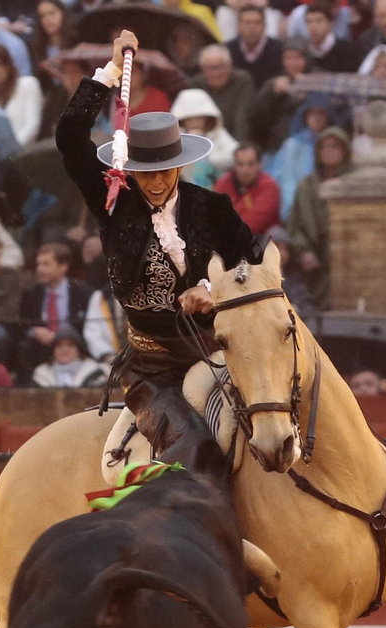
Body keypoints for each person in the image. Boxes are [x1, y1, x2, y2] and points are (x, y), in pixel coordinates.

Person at [58, 31, 255, 432]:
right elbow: (69, 137)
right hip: (153, 367)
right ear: (130, 170)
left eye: (165, 171)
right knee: (191, 441)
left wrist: (215, 290)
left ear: (180, 165)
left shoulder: (212, 206)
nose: (157, 182)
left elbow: (254, 263)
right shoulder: (113, 200)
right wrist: (111, 70)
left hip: (220, 354)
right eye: (145, 174)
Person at [287, 125, 349, 307]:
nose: (328, 152)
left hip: (346, 252)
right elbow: (295, 226)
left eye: (334, 146)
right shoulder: (306, 186)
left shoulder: (354, 184)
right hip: (315, 254)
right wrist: (304, 251)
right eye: (324, 147)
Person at [17, 241, 88, 378]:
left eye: (46, 264)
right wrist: (34, 331)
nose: (40, 269)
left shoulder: (82, 292)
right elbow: (21, 325)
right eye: (38, 264)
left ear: (63, 267)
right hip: (43, 346)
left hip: (73, 343)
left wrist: (67, 336)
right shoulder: (32, 293)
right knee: (25, 347)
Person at [0, 46, 43, 148]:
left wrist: (13, 148)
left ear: (8, 65)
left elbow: (32, 125)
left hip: (24, 152)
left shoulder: (28, 85)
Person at [170, 89, 238, 186]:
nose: (194, 123)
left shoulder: (218, 134)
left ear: (207, 118)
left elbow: (235, 154)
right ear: (182, 121)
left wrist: (207, 157)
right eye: (189, 120)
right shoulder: (176, 139)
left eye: (198, 118)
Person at [214, 142, 280, 236]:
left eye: (251, 164)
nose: (245, 170)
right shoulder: (223, 183)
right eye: (240, 164)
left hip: (259, 239)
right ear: (234, 166)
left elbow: (254, 223)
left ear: (260, 164)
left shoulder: (270, 186)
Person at [194, 45, 254, 142]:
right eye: (210, 68)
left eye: (219, 67)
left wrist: (238, 147)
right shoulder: (197, 85)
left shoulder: (242, 81)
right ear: (202, 70)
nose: (215, 73)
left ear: (229, 65)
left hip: (235, 140)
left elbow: (242, 118)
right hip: (207, 142)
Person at [228, 3, 284, 86]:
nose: (252, 27)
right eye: (247, 23)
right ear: (238, 26)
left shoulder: (280, 49)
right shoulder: (227, 51)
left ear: (264, 26)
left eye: (257, 23)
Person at [31, 326, 106, 388]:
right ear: (53, 350)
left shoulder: (95, 372)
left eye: (70, 345)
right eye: (59, 346)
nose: (65, 349)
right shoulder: (41, 374)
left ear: (78, 349)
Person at [303, 0, 359, 73]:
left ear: (331, 23)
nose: (313, 27)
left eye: (319, 21)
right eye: (309, 22)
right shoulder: (303, 51)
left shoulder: (347, 50)